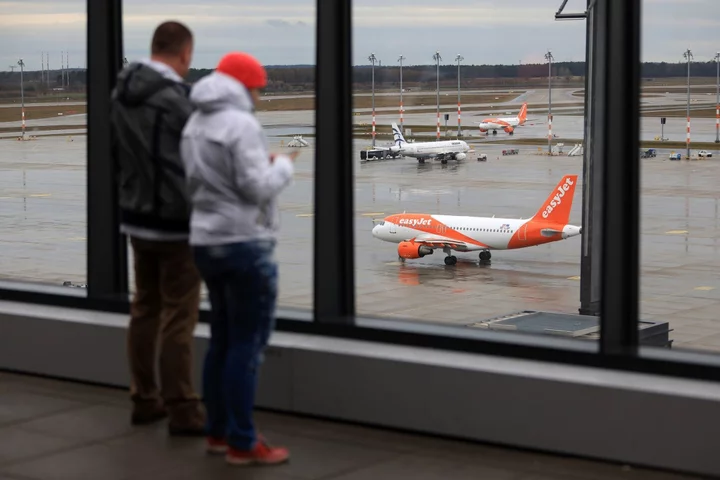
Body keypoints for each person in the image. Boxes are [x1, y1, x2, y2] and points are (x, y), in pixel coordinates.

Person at [180, 52, 297, 465]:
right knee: (246, 348)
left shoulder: (195, 123)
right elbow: (255, 188)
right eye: (258, 90)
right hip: (243, 243)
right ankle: (243, 443)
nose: (260, 98)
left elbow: (209, 181)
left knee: (222, 343)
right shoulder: (241, 124)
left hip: (205, 241)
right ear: (245, 86)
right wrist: (282, 167)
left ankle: (217, 432)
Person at [110, 21, 205, 435]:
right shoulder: (175, 99)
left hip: (136, 218)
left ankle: (143, 398)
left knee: (144, 309)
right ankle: (183, 408)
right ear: (184, 53)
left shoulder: (121, 92)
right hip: (175, 224)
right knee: (178, 319)